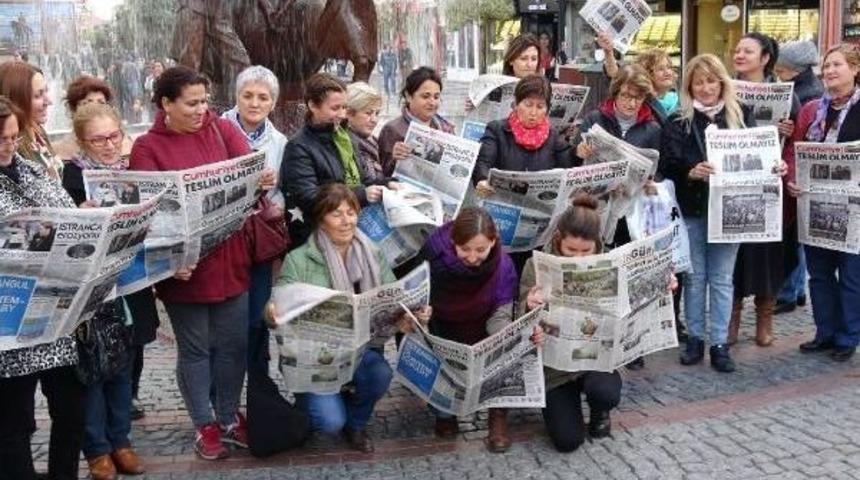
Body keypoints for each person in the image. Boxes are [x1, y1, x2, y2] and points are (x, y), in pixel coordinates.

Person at [130, 66, 274, 460]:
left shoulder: (222, 129)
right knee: (196, 350)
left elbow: (250, 176)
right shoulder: (147, 147)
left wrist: (258, 181)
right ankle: (203, 423)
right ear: (166, 104)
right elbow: (147, 217)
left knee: (233, 345)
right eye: (191, 103)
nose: (201, 110)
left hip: (230, 257)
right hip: (186, 268)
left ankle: (229, 416)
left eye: (205, 101)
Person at [268, 184, 421, 452]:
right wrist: (272, 312)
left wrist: (406, 317)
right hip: (317, 360)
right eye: (336, 214)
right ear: (321, 220)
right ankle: (310, 403)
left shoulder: (372, 252)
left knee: (380, 373)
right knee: (329, 423)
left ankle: (357, 423)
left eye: (351, 213)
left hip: (359, 350)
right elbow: (278, 305)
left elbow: (392, 295)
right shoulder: (299, 259)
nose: (346, 221)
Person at [61, 103, 149, 480]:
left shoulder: (134, 173)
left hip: (128, 285)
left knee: (123, 368)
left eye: (115, 136)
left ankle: (122, 441)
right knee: (93, 370)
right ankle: (97, 449)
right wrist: (81, 214)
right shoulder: (71, 177)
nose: (110, 145)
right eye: (99, 139)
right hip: (91, 293)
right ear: (82, 141)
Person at [0, 96, 86, 480]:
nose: (7, 146)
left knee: (71, 410)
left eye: (12, 137)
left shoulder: (34, 172)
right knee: (13, 424)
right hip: (10, 329)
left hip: (56, 319)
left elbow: (65, 212)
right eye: (0, 139)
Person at [519, 196, 641, 452]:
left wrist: (666, 285)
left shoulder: (612, 265)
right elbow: (517, 322)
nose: (578, 257)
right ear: (558, 240)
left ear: (597, 244)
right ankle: (563, 406)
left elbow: (635, 300)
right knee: (567, 441)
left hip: (594, 360)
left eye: (586, 252)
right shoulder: (535, 266)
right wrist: (528, 308)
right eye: (570, 251)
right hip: (555, 369)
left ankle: (600, 411)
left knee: (605, 392)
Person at [660, 54, 757, 373]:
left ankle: (719, 344)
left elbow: (757, 156)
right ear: (689, 86)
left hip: (730, 211)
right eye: (698, 82)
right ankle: (695, 340)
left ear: (722, 82)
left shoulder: (741, 115)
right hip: (694, 209)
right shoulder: (678, 121)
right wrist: (691, 172)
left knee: (722, 279)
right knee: (695, 277)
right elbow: (667, 166)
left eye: (711, 80)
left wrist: (774, 167)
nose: (705, 88)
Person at [571, 64, 665, 369]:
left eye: (638, 98)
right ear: (616, 93)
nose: (631, 103)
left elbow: (656, 169)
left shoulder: (651, 128)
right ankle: (596, 338)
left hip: (629, 211)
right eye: (626, 96)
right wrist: (580, 150)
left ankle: (631, 343)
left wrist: (650, 180)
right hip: (597, 208)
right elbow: (574, 155)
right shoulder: (596, 118)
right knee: (598, 275)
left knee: (628, 276)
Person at [416, 207, 519, 452]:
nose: (473, 257)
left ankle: (498, 416)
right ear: (453, 242)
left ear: (493, 242)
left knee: (506, 348)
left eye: (481, 250)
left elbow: (501, 311)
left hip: (482, 330)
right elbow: (416, 295)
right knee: (440, 387)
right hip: (442, 328)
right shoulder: (433, 254)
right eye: (465, 249)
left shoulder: (502, 265)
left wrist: (499, 339)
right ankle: (445, 414)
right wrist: (422, 315)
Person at [788, 44, 860, 362]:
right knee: (818, 274)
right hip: (814, 205)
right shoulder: (812, 109)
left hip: (854, 209)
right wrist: (791, 177)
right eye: (826, 66)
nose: (829, 71)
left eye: (837, 65)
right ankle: (825, 332)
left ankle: (847, 336)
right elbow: (795, 150)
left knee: (851, 275)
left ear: (855, 69)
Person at [729, 32, 797, 348]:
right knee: (735, 254)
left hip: (770, 184)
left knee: (768, 255)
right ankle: (732, 317)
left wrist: (789, 130)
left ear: (765, 58)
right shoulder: (725, 89)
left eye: (748, 51)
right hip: (735, 182)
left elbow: (797, 142)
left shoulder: (785, 94)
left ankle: (765, 317)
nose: (740, 55)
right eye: (738, 50)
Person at [471, 74, 575, 275]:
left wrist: (578, 154)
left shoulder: (554, 137)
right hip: (503, 221)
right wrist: (482, 180)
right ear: (516, 104)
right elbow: (483, 162)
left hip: (538, 226)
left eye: (540, 106)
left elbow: (568, 171)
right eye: (528, 104)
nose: (533, 113)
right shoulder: (497, 130)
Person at [223, 65, 288, 378]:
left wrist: (270, 195)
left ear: (273, 103)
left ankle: (258, 376)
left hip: (258, 242)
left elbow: (283, 197)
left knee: (257, 313)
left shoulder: (280, 142)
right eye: (247, 95)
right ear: (236, 97)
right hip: (223, 239)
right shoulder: (216, 131)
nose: (254, 103)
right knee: (224, 315)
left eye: (263, 97)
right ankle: (222, 387)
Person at [282, 73, 392, 247]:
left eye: (344, 107)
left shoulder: (345, 137)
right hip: (317, 239)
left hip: (348, 232)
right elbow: (309, 198)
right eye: (335, 108)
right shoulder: (298, 147)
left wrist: (387, 183)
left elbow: (364, 179)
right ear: (312, 105)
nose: (342, 114)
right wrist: (361, 195)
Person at [773, 40, 824, 314]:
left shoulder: (804, 94)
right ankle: (796, 290)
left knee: (792, 234)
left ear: (792, 70)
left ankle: (790, 291)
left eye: (781, 70)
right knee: (797, 234)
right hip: (798, 171)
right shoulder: (809, 87)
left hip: (795, 172)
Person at [378, 67, 455, 177]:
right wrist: (394, 159)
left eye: (436, 97)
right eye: (425, 96)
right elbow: (381, 175)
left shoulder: (446, 128)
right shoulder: (392, 130)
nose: (432, 102)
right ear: (409, 96)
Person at [598, 35, 679, 125]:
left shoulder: (678, 100)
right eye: (660, 69)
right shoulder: (644, 100)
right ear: (646, 73)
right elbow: (615, 75)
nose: (667, 72)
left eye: (669, 67)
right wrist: (608, 52)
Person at [0, 61, 61, 179]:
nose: (49, 102)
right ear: (16, 101)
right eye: (38, 95)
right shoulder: (10, 147)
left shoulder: (38, 131)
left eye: (46, 91)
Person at [345, 82, 385, 181]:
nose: (374, 120)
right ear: (349, 113)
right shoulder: (345, 144)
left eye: (377, 113)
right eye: (368, 113)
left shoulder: (373, 141)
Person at [774, 40, 825, 106]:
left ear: (797, 71)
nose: (777, 75)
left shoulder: (811, 95)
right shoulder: (799, 86)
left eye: (780, 71)